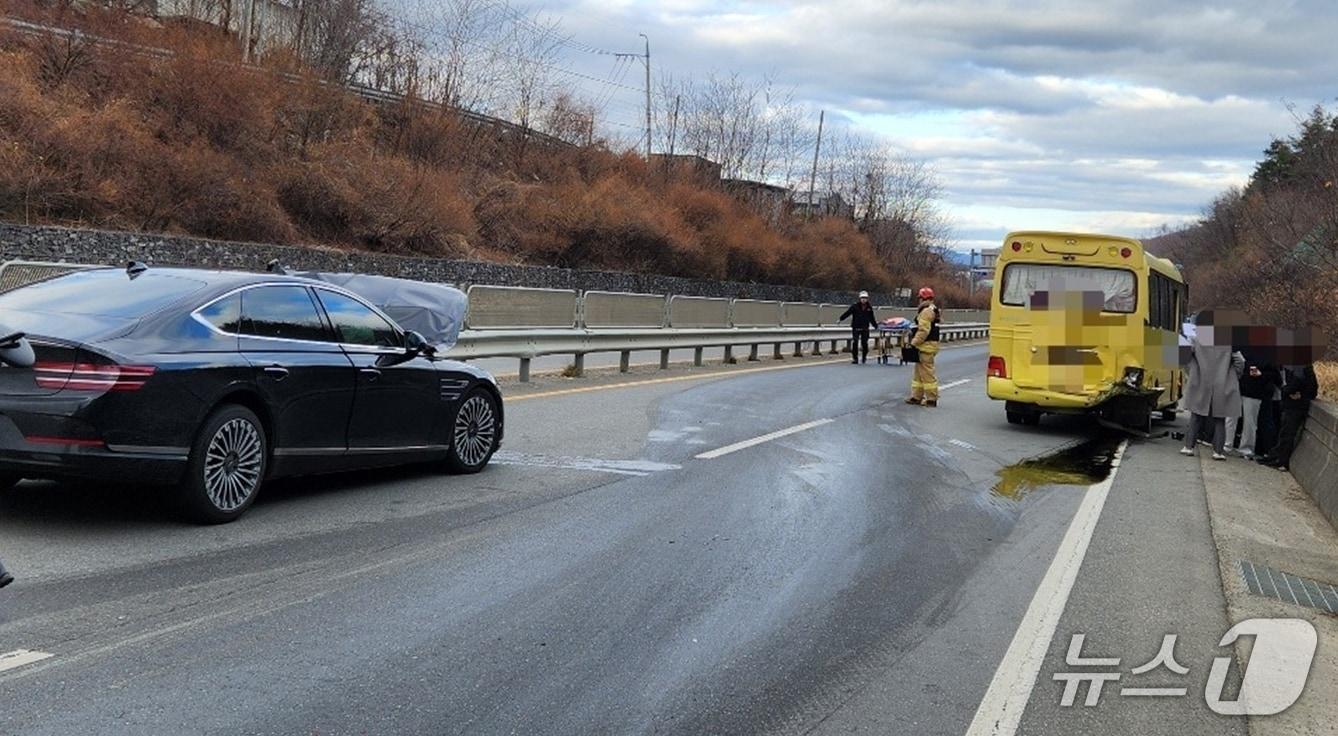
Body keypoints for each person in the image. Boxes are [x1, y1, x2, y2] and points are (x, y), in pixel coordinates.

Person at [1180, 311, 1245, 460]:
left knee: (1196, 415)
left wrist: (1192, 371)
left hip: (1201, 380)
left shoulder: (1196, 339)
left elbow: (1185, 356)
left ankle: (1189, 447)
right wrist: (1234, 375)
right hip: (1223, 381)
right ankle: (1218, 451)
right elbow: (1240, 361)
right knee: (1219, 418)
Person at [1258, 363, 1318, 472]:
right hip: (1298, 403)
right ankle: (1277, 457)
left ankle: (1282, 461)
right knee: (1285, 433)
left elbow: (1296, 382)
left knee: (1287, 434)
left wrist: (1286, 390)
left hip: (1295, 406)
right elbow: (1313, 387)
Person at [1236, 347, 1281, 459]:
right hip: (1250, 390)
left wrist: (1261, 374)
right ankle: (1250, 448)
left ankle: (1249, 449)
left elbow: (1275, 375)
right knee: (1250, 422)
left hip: (1255, 392)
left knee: (1252, 422)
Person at [906, 287, 942, 407]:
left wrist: (914, 342)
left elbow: (923, 330)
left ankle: (931, 399)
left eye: (919, 298)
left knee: (927, 373)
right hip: (928, 345)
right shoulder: (933, 309)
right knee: (919, 373)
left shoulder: (926, 311)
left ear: (923, 298)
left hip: (926, 345)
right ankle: (916, 396)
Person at [839, 291, 879, 364]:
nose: (863, 299)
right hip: (856, 327)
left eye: (865, 298)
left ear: (867, 299)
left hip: (865, 328)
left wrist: (875, 326)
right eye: (862, 298)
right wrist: (841, 319)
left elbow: (872, 318)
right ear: (860, 298)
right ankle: (855, 358)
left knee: (864, 343)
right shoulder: (855, 306)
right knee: (855, 342)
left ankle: (864, 357)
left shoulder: (869, 308)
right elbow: (848, 313)